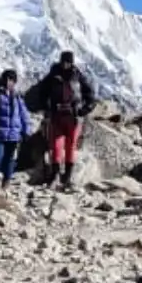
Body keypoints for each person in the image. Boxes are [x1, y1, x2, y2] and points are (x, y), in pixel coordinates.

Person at [38, 51, 96, 189]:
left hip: (74, 117)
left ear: (72, 62)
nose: (65, 64)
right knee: (56, 146)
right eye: (63, 61)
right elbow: (42, 93)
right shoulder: (52, 75)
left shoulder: (78, 76)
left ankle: (68, 176)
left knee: (71, 146)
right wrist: (47, 109)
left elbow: (91, 95)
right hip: (56, 116)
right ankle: (55, 174)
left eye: (68, 62)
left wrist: (85, 110)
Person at [0, 69, 31, 187]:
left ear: (14, 81)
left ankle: (6, 183)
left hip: (14, 133)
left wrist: (26, 130)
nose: (9, 82)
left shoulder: (17, 96)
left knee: (10, 159)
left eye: (11, 79)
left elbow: (24, 114)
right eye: (7, 79)